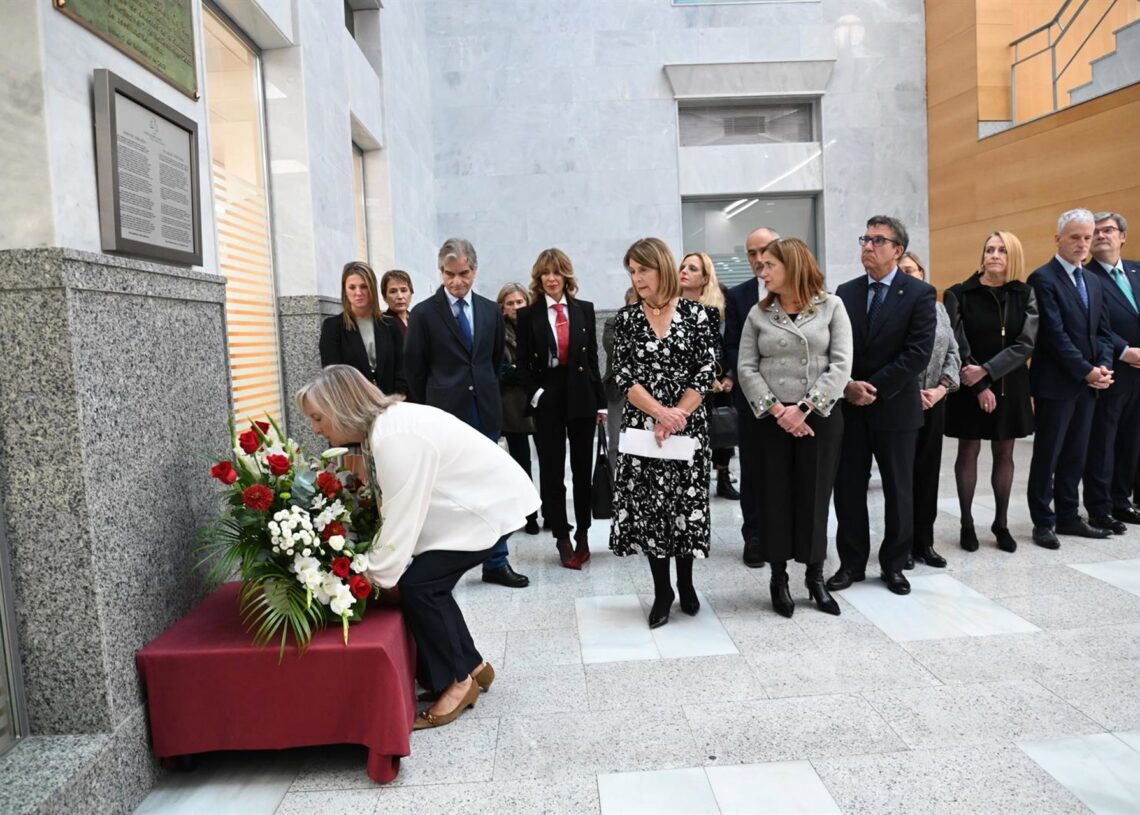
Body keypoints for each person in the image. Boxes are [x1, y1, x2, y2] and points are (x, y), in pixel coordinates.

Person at [296, 365, 540, 730]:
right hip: (481, 502)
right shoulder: (388, 426)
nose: (316, 428)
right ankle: (474, 666)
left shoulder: (395, 437)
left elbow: (400, 517)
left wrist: (369, 575)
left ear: (341, 406)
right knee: (430, 583)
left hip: (485, 508)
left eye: (317, 417)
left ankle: (459, 682)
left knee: (421, 587)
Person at [404, 238, 529, 588]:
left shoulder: (490, 310)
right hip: (444, 414)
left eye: (463, 273)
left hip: (485, 411)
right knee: (447, 493)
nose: (456, 281)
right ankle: (444, 567)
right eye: (449, 274)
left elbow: (490, 362)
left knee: (491, 487)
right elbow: (415, 368)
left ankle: (497, 562)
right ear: (440, 272)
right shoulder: (425, 313)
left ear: (475, 269)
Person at [737, 238, 852, 617]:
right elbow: (746, 368)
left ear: (793, 266)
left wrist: (803, 409)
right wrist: (777, 411)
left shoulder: (831, 306)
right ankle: (779, 577)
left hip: (818, 417)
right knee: (775, 497)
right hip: (771, 421)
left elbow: (841, 365)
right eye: (761, 264)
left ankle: (815, 576)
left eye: (770, 264)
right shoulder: (759, 313)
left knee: (815, 496)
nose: (762, 270)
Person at [609, 237, 717, 629]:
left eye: (644, 270)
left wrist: (677, 415)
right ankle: (662, 591)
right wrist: (658, 412)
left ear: (663, 268)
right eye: (632, 272)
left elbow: (706, 371)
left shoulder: (699, 316)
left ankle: (686, 585)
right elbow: (623, 374)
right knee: (653, 510)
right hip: (644, 426)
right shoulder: (625, 319)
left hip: (688, 425)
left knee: (684, 508)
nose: (638, 278)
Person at [829, 216, 936, 597]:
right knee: (848, 489)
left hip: (894, 407)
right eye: (865, 238)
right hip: (852, 409)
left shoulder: (920, 293)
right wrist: (849, 388)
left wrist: (871, 387)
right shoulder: (846, 292)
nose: (868, 246)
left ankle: (894, 564)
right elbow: (837, 351)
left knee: (898, 490)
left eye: (878, 240)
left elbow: (918, 353)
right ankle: (851, 563)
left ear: (898, 250)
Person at [1027, 209, 1119, 549]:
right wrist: (1086, 370)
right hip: (1056, 383)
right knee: (1048, 455)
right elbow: (1054, 334)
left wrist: (1104, 366)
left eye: (1087, 237)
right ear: (1058, 239)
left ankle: (1068, 517)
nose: (1083, 244)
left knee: (1076, 454)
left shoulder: (1093, 281)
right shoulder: (1043, 278)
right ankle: (1043, 521)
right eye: (1075, 237)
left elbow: (1104, 332)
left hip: (1089, 385)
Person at [943, 233, 1037, 554]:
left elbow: (1025, 343)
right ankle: (966, 523)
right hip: (969, 384)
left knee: (1005, 453)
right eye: (989, 249)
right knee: (967, 452)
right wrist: (979, 383)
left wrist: (988, 371)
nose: (994, 255)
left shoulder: (1025, 294)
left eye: (1001, 250)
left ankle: (1001, 523)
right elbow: (957, 343)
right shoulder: (958, 294)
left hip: (1010, 384)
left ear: (1012, 256)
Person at [515, 249, 606, 569]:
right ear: (539, 279)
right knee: (553, 472)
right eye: (545, 273)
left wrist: (602, 403)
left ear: (566, 275)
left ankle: (583, 533)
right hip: (549, 397)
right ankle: (562, 537)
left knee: (583, 471)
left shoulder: (584, 310)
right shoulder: (528, 315)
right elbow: (522, 364)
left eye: (556, 272)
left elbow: (593, 359)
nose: (551, 278)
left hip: (581, 394)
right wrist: (536, 393)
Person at [723, 226, 780, 567]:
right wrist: (754, 382)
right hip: (751, 399)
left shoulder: (798, 289)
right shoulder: (740, 295)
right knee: (754, 470)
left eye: (764, 251)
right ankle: (755, 537)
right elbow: (730, 344)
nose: (758, 259)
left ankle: (786, 535)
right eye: (751, 253)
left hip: (795, 402)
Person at [898, 252, 959, 568]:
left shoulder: (938, 309)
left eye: (911, 270)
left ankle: (925, 543)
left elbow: (953, 352)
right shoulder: (892, 311)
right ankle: (902, 546)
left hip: (934, 402)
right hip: (901, 404)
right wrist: (910, 392)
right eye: (901, 272)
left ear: (922, 273)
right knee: (903, 478)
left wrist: (940, 389)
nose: (907, 276)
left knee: (927, 476)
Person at [1085, 212, 1140, 531]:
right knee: (1103, 441)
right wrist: (1125, 351)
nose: (1101, 235)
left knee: (1133, 439)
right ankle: (1099, 505)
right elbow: (1096, 324)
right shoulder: (1088, 277)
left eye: (1108, 230)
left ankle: (1122, 501)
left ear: (1123, 236)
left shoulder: (1136, 270)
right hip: (1112, 369)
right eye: (1095, 232)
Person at [681, 252, 739, 500]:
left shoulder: (721, 299)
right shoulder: (672, 303)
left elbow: (730, 341)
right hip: (688, 382)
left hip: (719, 378)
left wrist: (728, 375)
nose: (684, 271)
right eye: (682, 267)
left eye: (692, 269)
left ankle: (723, 477)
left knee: (723, 425)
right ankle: (693, 479)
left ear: (705, 277)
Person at [319, 261, 406, 395]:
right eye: (352, 287)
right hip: (353, 405)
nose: (358, 293)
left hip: (390, 402)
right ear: (345, 291)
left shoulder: (390, 325)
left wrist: (396, 398)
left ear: (372, 288)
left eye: (364, 286)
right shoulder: (332, 327)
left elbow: (401, 369)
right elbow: (333, 375)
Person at [497, 282, 539, 536]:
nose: (515, 307)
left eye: (519, 302)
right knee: (521, 464)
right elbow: (502, 370)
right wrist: (525, 372)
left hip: (539, 401)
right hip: (512, 404)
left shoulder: (536, 327)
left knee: (548, 462)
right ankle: (529, 515)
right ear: (502, 308)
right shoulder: (498, 332)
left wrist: (521, 371)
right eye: (510, 303)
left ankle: (551, 514)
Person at [602, 287, 641, 464]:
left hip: (648, 392)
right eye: (635, 302)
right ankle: (614, 487)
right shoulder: (613, 322)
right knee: (616, 443)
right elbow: (614, 349)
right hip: (618, 391)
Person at [381, 269, 414, 337]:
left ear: (411, 293)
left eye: (403, 290)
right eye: (393, 291)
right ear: (385, 297)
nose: (400, 296)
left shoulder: (417, 320)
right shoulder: (382, 324)